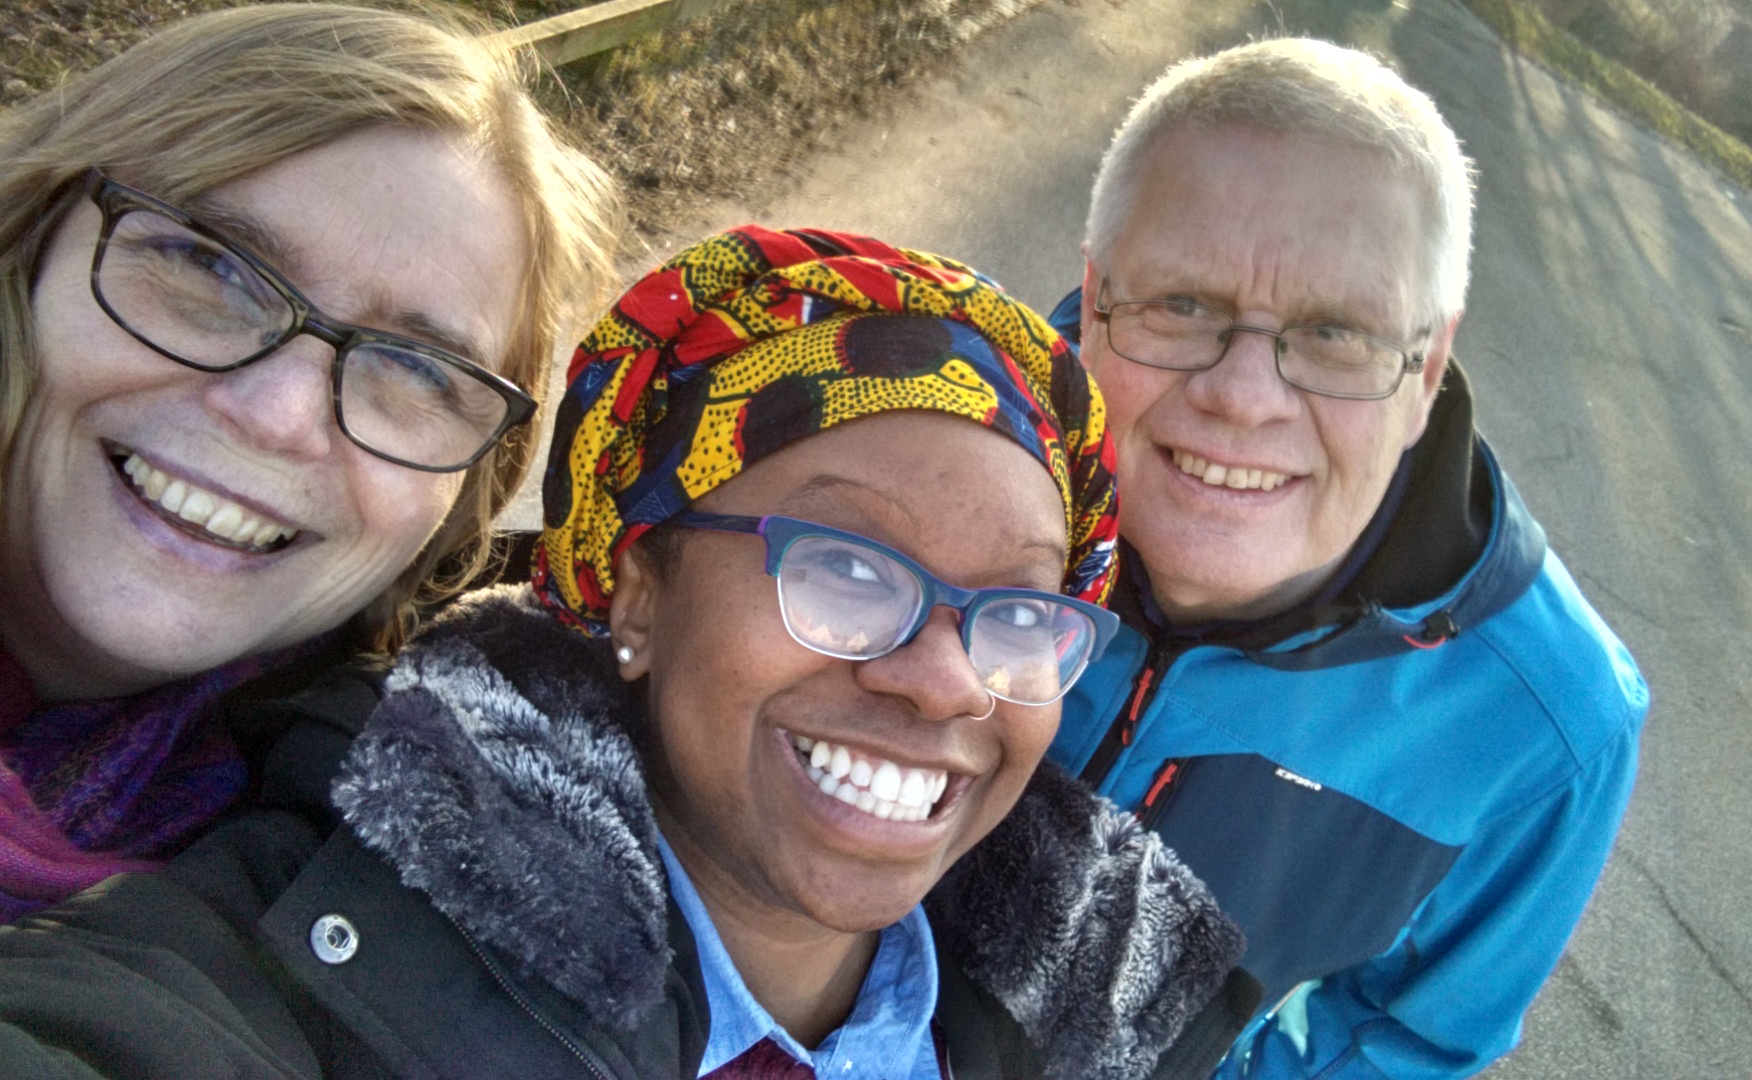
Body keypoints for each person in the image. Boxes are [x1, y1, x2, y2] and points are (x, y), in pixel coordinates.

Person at [0, 226, 1259, 1077]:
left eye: (1021, 609)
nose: (943, 680)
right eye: (844, 566)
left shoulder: (1112, 1015)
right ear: (639, 594)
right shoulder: (306, 938)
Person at [1043, 38, 1649, 1079]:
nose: (1243, 395)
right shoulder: (928, 454)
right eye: (1182, 303)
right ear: (1097, 296)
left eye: (1335, 333)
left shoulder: (1547, 730)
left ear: (1427, 372)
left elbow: (1408, 1041)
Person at [0, 3, 619, 923]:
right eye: (208, 266)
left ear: (461, 499)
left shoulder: (377, 888)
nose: (280, 415)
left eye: (414, 367)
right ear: (30, 241)